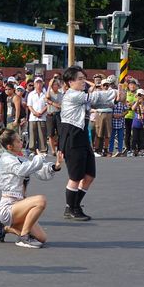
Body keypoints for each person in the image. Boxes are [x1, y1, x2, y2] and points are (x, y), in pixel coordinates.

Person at [59, 66, 118, 221]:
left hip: (83, 136)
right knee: (75, 176)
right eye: (80, 79)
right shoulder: (71, 95)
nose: (84, 82)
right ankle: (69, 208)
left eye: (84, 78)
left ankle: (75, 206)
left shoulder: (81, 95)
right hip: (72, 136)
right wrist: (115, 93)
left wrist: (113, 101)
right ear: (70, 82)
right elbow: (93, 99)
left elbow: (97, 104)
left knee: (90, 175)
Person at [0, 128, 63, 248]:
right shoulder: (6, 159)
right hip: (8, 207)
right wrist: (39, 158)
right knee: (41, 200)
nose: (21, 142)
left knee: (41, 238)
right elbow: (23, 170)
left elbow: (37, 170)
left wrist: (55, 167)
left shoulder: (20, 158)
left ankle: (4, 228)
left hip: (20, 206)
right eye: (18, 141)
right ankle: (23, 237)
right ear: (10, 146)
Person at [27, 77, 48, 154]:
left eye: (40, 83)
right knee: (32, 134)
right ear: (34, 84)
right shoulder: (31, 94)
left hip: (42, 117)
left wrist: (41, 112)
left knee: (42, 134)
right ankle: (32, 150)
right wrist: (35, 112)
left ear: (42, 84)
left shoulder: (45, 94)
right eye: (37, 83)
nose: (39, 84)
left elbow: (47, 105)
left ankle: (43, 150)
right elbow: (29, 105)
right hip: (33, 117)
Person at [45, 78, 63, 156]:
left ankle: (59, 149)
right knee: (51, 134)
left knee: (60, 133)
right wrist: (49, 85)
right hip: (50, 115)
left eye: (55, 85)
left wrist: (51, 103)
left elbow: (60, 106)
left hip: (58, 114)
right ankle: (53, 150)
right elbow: (47, 97)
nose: (54, 86)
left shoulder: (61, 94)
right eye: (53, 85)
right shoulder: (49, 93)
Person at [130, 89, 144, 157]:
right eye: (138, 95)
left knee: (142, 138)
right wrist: (137, 102)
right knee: (134, 138)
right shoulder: (135, 102)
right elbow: (133, 109)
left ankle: (141, 151)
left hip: (143, 124)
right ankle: (133, 150)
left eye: (141, 95)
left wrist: (142, 103)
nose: (140, 96)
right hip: (135, 123)